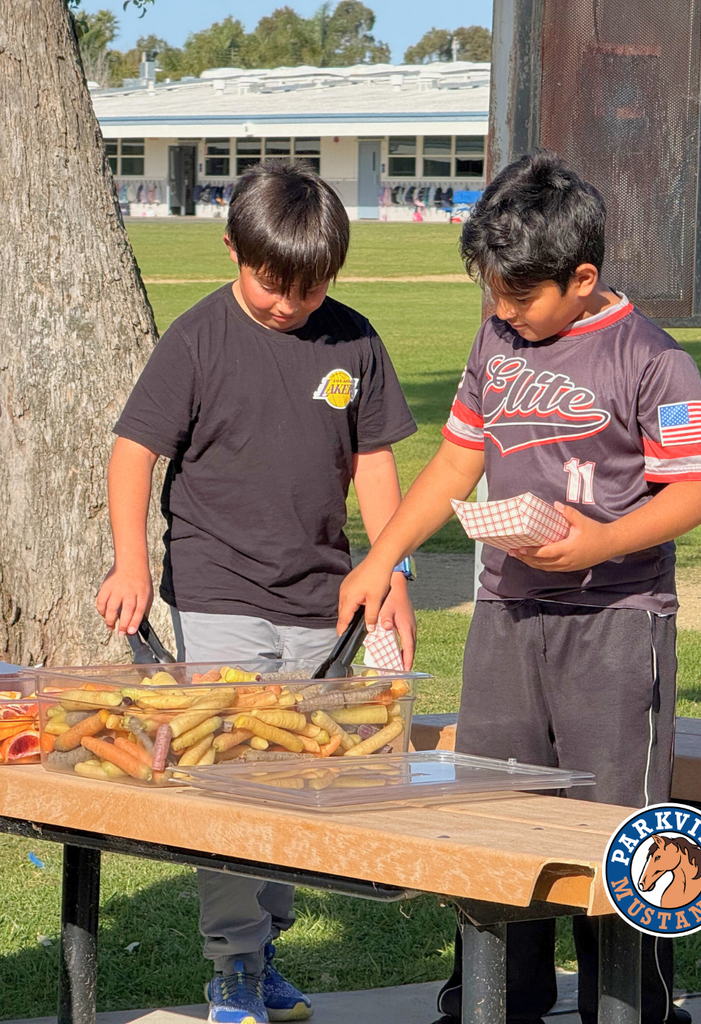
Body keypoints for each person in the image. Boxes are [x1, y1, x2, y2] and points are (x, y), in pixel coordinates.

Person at [338, 150, 701, 1024]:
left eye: (518, 297)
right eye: (492, 293)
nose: (502, 311)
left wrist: (603, 541)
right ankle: (491, 1002)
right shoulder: (495, 342)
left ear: (581, 279)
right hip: (506, 613)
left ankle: (629, 1006)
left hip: (616, 620)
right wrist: (379, 557)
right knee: (495, 808)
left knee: (615, 825)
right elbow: (455, 460)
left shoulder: (650, 357)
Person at [96, 160, 418, 1024]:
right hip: (217, 585)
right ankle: (233, 962)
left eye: (309, 289)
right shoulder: (197, 338)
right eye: (272, 284)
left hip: (321, 598)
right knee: (230, 773)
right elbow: (134, 452)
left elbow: (374, 463)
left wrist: (389, 570)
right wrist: (131, 564)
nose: (288, 305)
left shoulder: (353, 341)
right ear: (233, 250)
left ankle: (265, 946)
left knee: (296, 773)